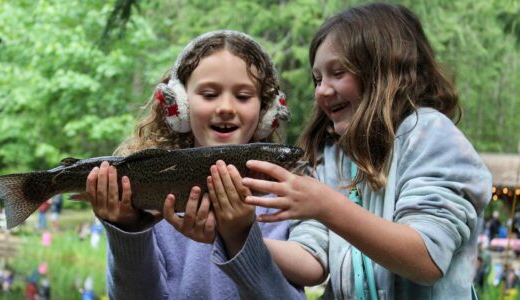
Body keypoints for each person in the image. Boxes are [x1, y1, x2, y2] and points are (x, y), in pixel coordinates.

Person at [228, 3, 492, 299]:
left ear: (386, 71)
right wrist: (235, 233)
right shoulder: (332, 158)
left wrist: (326, 206)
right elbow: (312, 260)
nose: (322, 91)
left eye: (338, 73)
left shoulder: (431, 136)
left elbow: (427, 259)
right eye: (317, 79)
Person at [76, 30, 302, 299]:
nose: (226, 107)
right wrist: (128, 230)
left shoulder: (285, 199)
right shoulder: (151, 192)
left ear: (267, 112)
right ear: (179, 106)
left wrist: (240, 237)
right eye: (209, 94)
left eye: (243, 96)